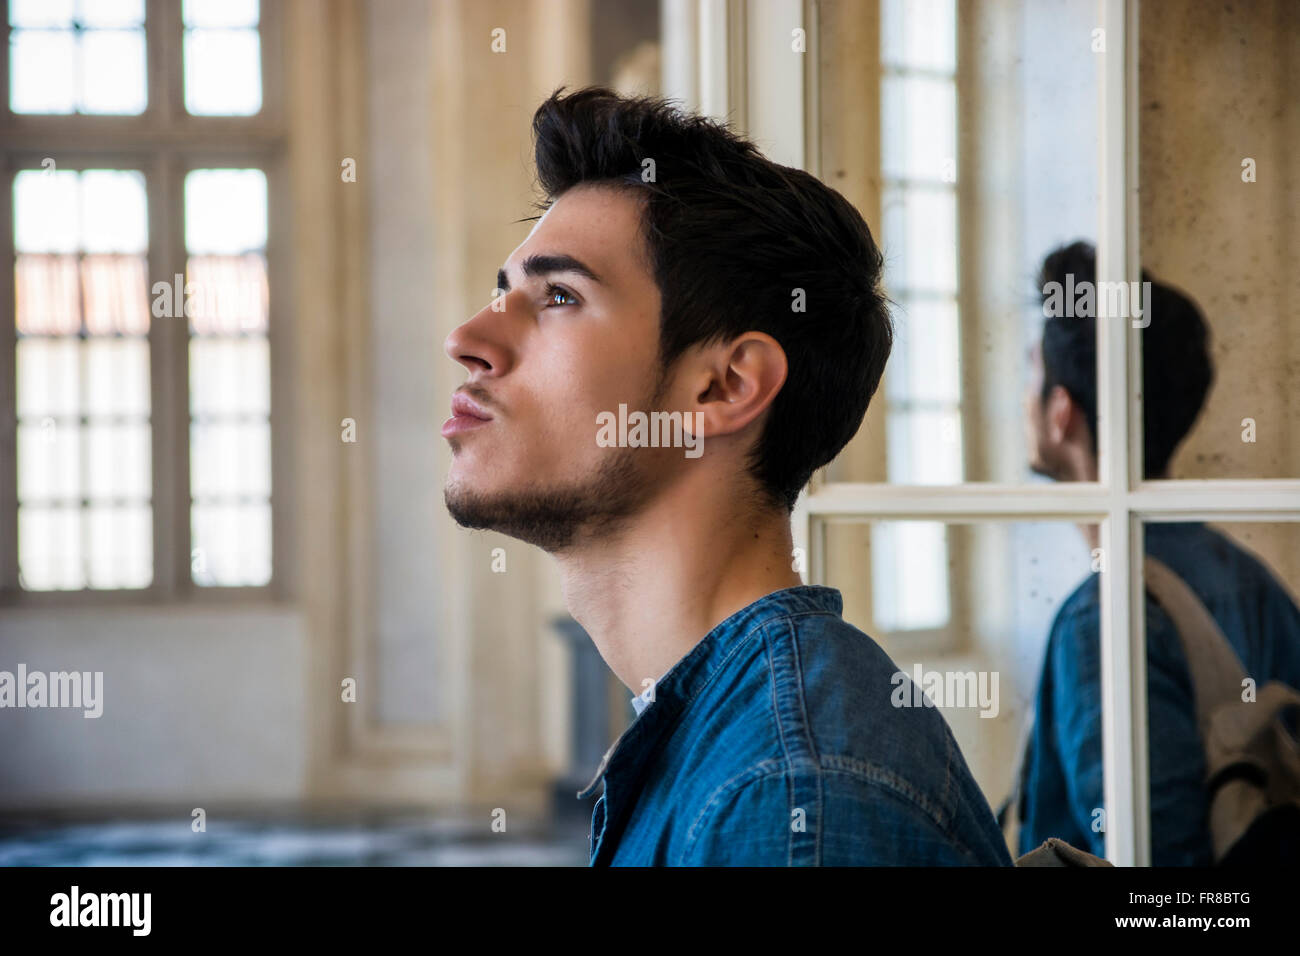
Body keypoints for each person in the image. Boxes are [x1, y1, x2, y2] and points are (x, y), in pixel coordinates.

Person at [440, 86, 1013, 866]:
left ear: (725, 387)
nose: (469, 339)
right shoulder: (733, 735)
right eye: (502, 294)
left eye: (561, 296)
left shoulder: (789, 800)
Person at [1019, 240, 1300, 865]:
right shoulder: (1250, 578)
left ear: (1062, 413)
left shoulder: (1102, 619)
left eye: (1032, 371)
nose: (1026, 396)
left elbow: (1154, 882)